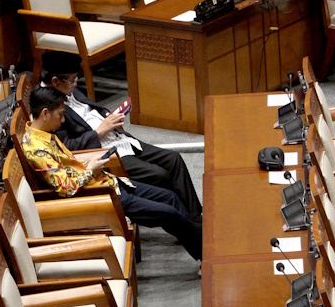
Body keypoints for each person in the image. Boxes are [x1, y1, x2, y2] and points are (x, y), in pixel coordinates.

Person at [21, 85, 203, 262]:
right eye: (60, 115)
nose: (62, 121)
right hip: (100, 197)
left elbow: (69, 165)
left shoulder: (44, 133)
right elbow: (66, 188)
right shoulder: (37, 150)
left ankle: (200, 241)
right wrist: (90, 168)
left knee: (169, 197)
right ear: (45, 113)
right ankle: (204, 254)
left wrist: (90, 166)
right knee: (168, 212)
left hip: (109, 182)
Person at [38, 51, 202, 223]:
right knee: (159, 174)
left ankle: (195, 217)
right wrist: (99, 131)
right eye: (72, 80)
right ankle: (182, 221)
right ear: (56, 81)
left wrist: (110, 116)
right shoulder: (47, 107)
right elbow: (66, 147)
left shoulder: (64, 87)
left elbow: (89, 110)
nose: (75, 84)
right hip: (102, 150)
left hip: (117, 136)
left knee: (173, 159)